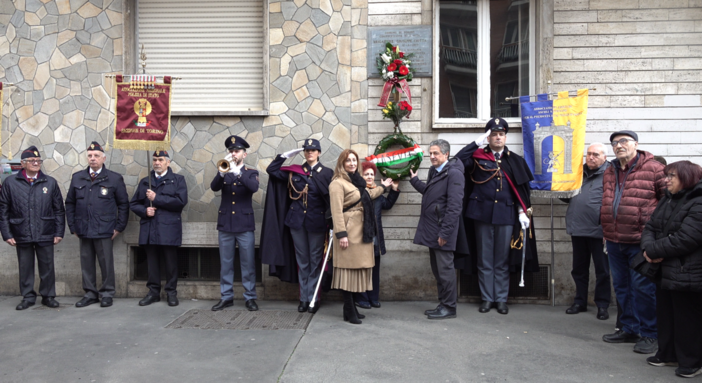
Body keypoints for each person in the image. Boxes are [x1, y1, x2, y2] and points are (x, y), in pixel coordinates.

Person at [455, 118, 536, 315]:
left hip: (506, 215)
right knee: (484, 260)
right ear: (488, 137)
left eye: (501, 134)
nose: (497, 137)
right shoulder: (476, 157)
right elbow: (456, 161)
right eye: (493, 134)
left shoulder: (514, 160)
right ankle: (486, 298)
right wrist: (476, 143)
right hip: (481, 215)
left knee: (502, 260)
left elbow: (520, 191)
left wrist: (521, 211)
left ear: (505, 137)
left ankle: (500, 299)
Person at [600, 130, 666, 354]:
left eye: (623, 141)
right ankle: (629, 327)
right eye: (614, 143)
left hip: (640, 240)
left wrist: (657, 237)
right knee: (621, 287)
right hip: (614, 238)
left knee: (643, 288)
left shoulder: (654, 168)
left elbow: (667, 202)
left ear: (636, 144)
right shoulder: (610, 170)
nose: (618, 146)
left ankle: (651, 333)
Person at [641, 161, 702, 378]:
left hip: (688, 271)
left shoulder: (698, 201)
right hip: (664, 269)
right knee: (666, 314)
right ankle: (667, 354)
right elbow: (650, 226)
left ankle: (691, 362)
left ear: (687, 178)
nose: (667, 180)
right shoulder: (667, 198)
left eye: (672, 176)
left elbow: (687, 238)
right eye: (667, 176)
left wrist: (653, 250)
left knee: (687, 319)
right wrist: (648, 248)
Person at [264, 139, 333, 313]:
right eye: (307, 150)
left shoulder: (326, 173)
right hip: (297, 223)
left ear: (319, 152)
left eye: (313, 150)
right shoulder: (295, 171)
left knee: (315, 261)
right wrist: (284, 156)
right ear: (304, 153)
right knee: (302, 263)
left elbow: (331, 200)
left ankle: (314, 298)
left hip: (317, 224)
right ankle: (304, 298)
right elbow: (271, 170)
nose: (310, 152)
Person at [329, 149, 392, 324]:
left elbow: (368, 195)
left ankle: (349, 309)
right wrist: (341, 234)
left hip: (361, 232)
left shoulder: (357, 181)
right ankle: (349, 309)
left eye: (354, 160)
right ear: (341, 163)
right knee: (347, 271)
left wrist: (384, 186)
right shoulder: (337, 183)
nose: (352, 163)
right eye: (348, 160)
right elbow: (336, 211)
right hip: (348, 233)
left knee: (356, 271)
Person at [0, 146, 65, 310]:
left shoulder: (49, 182)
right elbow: (3, 210)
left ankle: (48, 296)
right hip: (21, 231)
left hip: (45, 231)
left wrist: (59, 232)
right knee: (25, 267)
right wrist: (6, 234)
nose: (36, 163)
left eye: (38, 161)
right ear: (23, 163)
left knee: (47, 266)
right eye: (32, 161)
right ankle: (28, 297)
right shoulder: (10, 183)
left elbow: (58, 209)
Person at [65, 142, 129, 308]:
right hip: (83, 228)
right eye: (90, 156)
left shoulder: (114, 178)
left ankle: (107, 293)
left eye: (96, 156)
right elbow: (70, 203)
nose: (92, 159)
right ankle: (90, 293)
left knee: (106, 263)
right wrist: (73, 226)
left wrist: (119, 227)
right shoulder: (78, 177)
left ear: (103, 158)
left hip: (105, 229)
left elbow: (123, 204)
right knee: (86, 263)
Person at [410, 139, 465, 320]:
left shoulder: (454, 174)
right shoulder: (436, 170)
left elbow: (454, 207)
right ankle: (443, 304)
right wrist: (414, 180)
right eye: (431, 153)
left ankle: (449, 307)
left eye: (435, 153)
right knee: (437, 270)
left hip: (442, 231)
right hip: (432, 229)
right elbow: (430, 193)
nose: (431, 156)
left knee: (445, 271)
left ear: (446, 154)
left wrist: (445, 233)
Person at [130, 151, 188, 307]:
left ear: (167, 162)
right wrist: (144, 211)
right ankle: (153, 292)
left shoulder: (177, 180)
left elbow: (180, 202)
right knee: (152, 263)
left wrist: (157, 199)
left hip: (168, 229)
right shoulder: (145, 182)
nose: (156, 162)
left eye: (160, 160)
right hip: (150, 228)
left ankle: (171, 293)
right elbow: (134, 204)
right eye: (155, 160)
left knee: (171, 264)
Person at [562, 143, 611, 320]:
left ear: (604, 157)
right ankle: (580, 301)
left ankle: (603, 304)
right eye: (589, 154)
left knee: (602, 270)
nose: (591, 157)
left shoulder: (611, 175)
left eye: (596, 154)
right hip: (578, 229)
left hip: (600, 230)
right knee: (579, 269)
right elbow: (567, 197)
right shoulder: (578, 173)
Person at [210, 135, 259, 312]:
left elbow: (253, 188)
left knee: (248, 264)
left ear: (244, 154)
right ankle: (226, 297)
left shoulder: (251, 173)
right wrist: (223, 172)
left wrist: (238, 171)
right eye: (231, 151)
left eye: (236, 151)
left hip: (244, 225)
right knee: (226, 263)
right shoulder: (224, 170)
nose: (233, 153)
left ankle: (250, 297)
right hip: (226, 225)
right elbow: (214, 187)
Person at [353, 161, 400, 309]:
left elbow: (387, 205)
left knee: (374, 269)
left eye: (371, 174)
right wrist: (383, 187)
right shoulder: (357, 192)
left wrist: (394, 189)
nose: (369, 177)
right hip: (360, 237)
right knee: (361, 269)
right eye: (366, 174)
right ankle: (361, 298)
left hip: (375, 239)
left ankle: (373, 297)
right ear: (361, 176)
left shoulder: (379, 194)